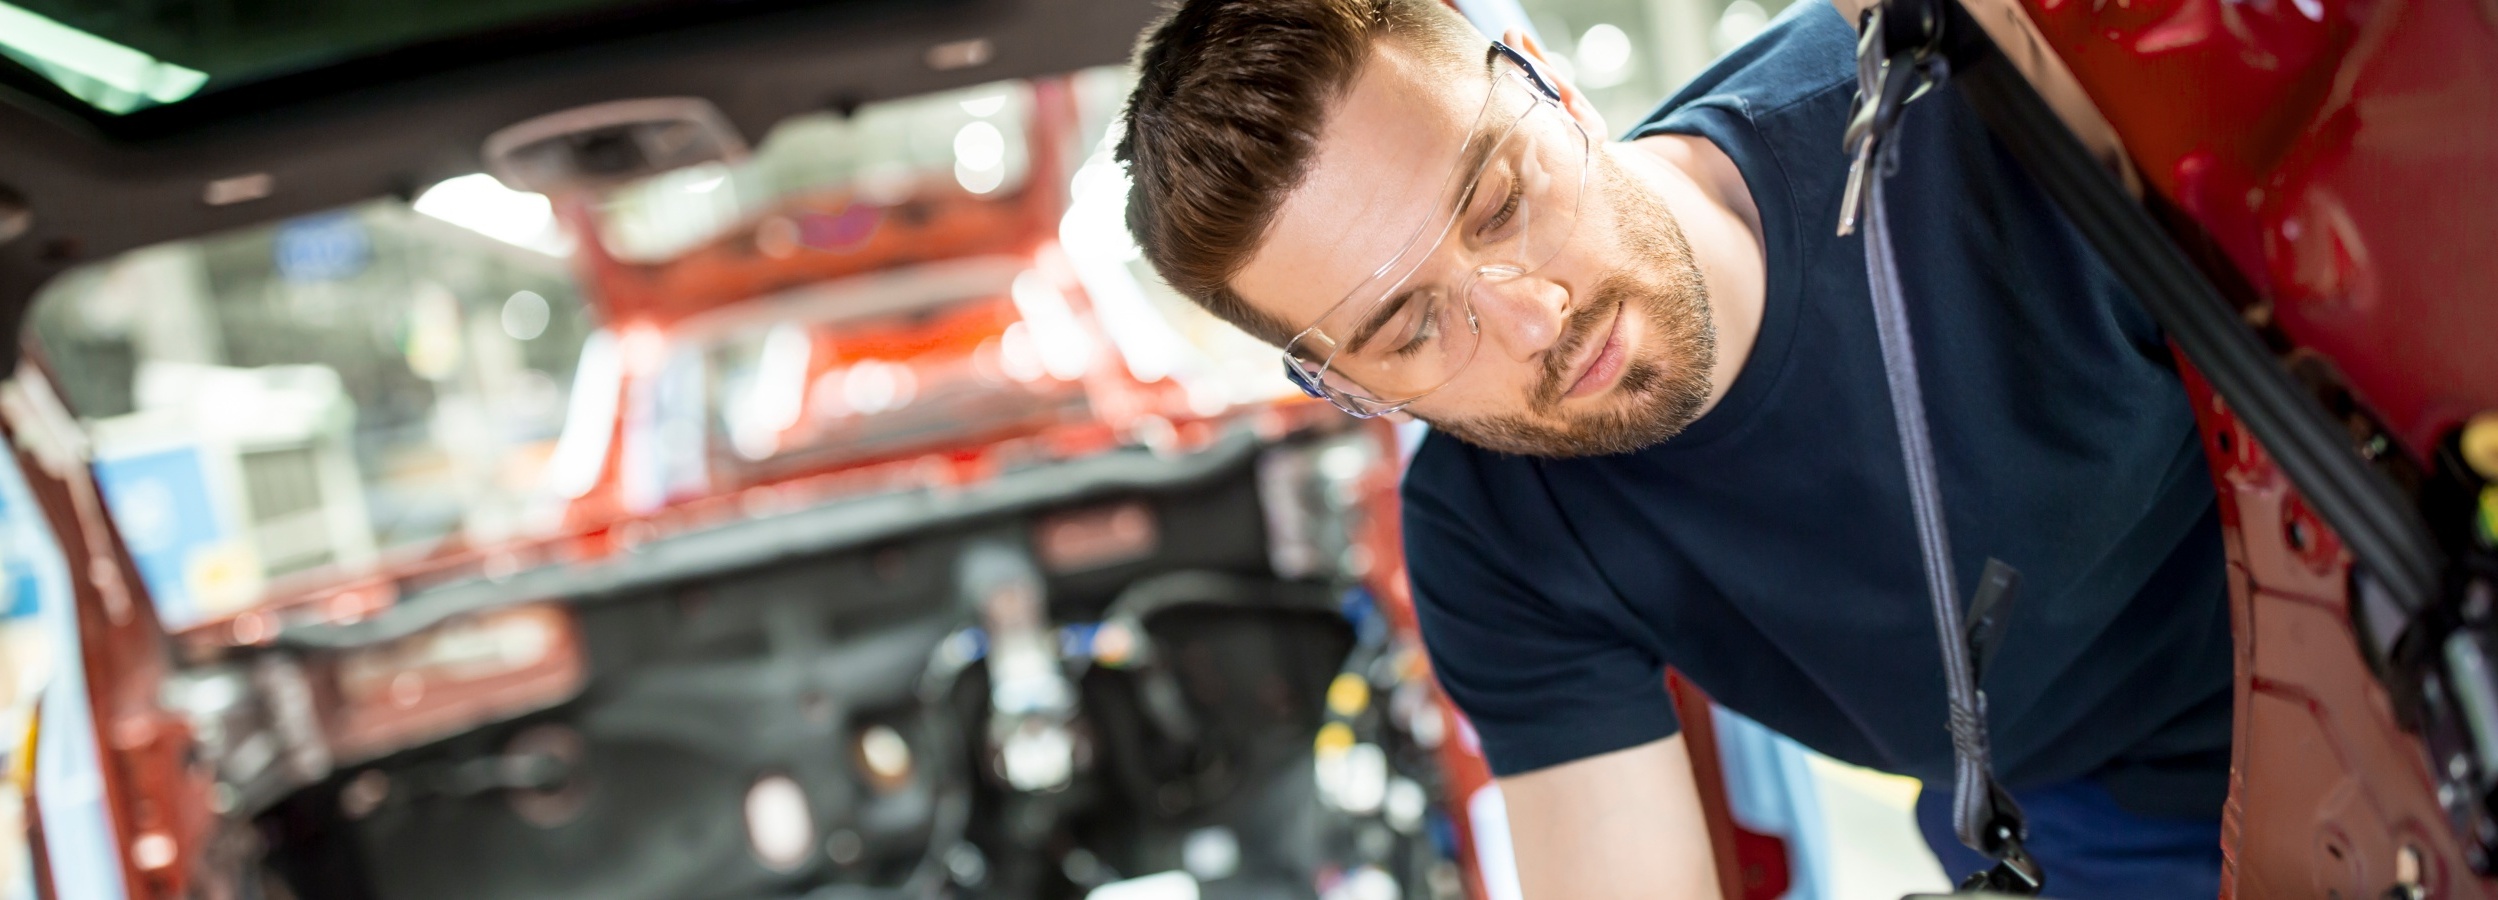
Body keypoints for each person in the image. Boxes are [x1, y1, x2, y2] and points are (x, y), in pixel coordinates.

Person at [1116, 0, 2232, 897]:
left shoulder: (1955, 93)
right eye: (1409, 328)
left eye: (1500, 200)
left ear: (1550, 83)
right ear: (1350, 387)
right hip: (2086, 832)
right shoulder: (1490, 534)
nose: (1530, 316)